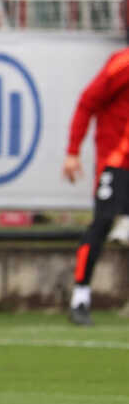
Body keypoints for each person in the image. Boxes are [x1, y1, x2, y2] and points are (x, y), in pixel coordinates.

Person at [63, 40, 129, 326]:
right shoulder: (123, 64)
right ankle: (80, 298)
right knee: (102, 222)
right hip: (116, 162)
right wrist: (72, 152)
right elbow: (87, 102)